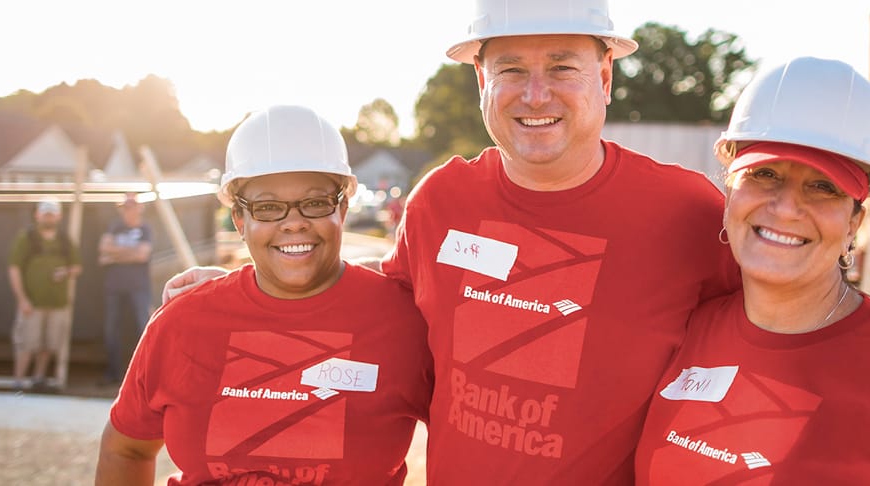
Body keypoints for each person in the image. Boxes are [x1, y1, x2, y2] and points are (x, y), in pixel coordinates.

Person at [163, 0, 741, 482]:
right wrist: (260, 290)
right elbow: (380, 307)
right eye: (511, 69)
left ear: (606, 77)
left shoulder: (689, 215)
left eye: (563, 67)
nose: (536, 95)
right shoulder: (442, 199)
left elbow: (772, 323)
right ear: (482, 79)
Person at [634, 57, 870, 484]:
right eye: (765, 174)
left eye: (823, 186)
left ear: (853, 224)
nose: (786, 208)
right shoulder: (689, 331)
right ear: (730, 191)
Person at [96, 105, 432, 485]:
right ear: (240, 220)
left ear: (343, 206)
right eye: (268, 207)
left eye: (315, 202)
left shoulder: (404, 323)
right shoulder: (183, 321)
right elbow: (126, 449)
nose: (294, 222)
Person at [6, 197, 81, 392]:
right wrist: (22, 299)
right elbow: (14, 269)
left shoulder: (64, 240)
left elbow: (77, 267)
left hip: (57, 303)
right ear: (38, 215)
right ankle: (18, 381)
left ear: (58, 216)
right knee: (26, 344)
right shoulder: (28, 238)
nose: (48, 218)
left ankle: (38, 379)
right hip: (32, 303)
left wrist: (64, 272)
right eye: (45, 214)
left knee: (48, 345)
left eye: (52, 214)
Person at [98, 193, 153, 384]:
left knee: (143, 327)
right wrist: (131, 252)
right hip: (114, 287)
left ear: (139, 208)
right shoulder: (114, 226)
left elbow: (142, 256)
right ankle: (114, 373)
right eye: (126, 208)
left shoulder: (145, 229)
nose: (129, 211)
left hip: (139, 287)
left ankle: (145, 374)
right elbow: (103, 251)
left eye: (132, 207)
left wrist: (115, 255)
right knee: (111, 329)